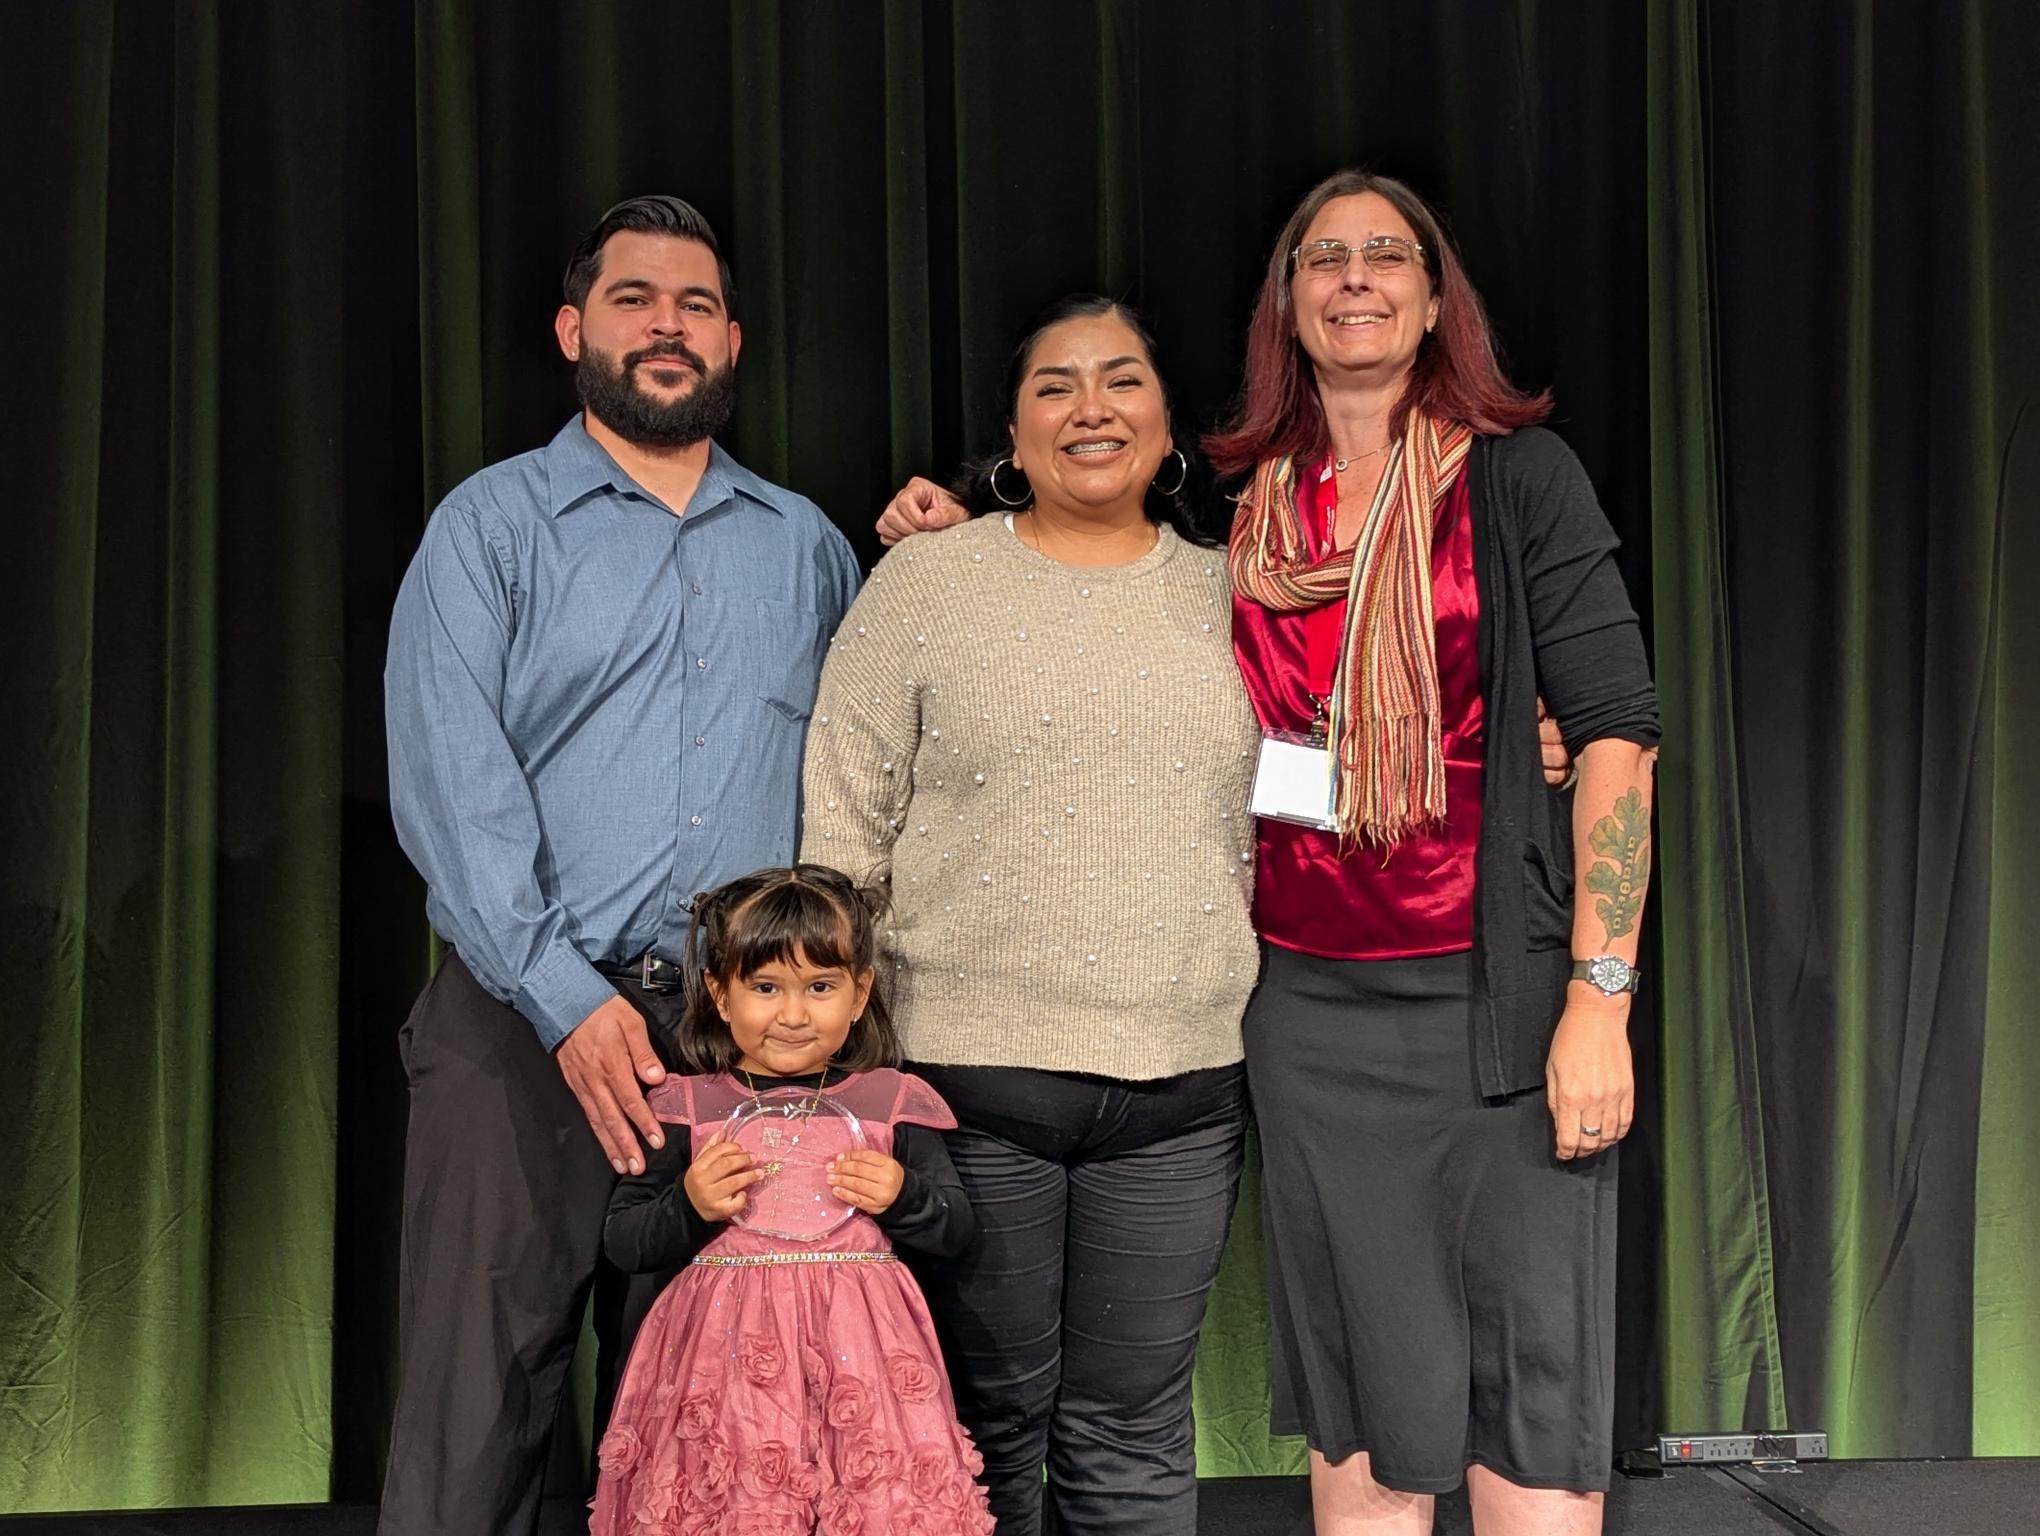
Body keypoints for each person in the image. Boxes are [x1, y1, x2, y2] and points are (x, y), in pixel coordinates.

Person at [875, 170, 1648, 1536]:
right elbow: (1104, 606)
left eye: (1385, 255)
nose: (1354, 277)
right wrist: (959, 519)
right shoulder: (1244, 517)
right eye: (1323, 258)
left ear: (1430, 296)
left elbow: (1615, 745)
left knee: (1530, 1382)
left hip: (1507, 1005)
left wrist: (1601, 997)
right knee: (1360, 1383)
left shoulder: (1523, 482)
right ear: (1285, 305)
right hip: (1302, 1010)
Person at [381, 195, 859, 1536]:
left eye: (695, 303)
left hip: (733, 1043)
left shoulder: (808, 548)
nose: (666, 325)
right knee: (478, 1420)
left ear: (734, 340)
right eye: (636, 298)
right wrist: (557, 992)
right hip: (518, 1026)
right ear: (572, 327)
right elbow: (448, 777)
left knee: (709, 1436)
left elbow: (864, 771)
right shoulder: (491, 529)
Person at [800, 296, 1261, 1536]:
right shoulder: (927, 583)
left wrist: (1529, 750)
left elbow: (1319, 803)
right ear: (1014, 427)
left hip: (1181, 1099)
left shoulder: (1238, 600)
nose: (1091, 409)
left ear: (1172, 428)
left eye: (1123, 382)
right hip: (969, 1093)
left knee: (1133, 1435)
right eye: (1057, 386)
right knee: (978, 1434)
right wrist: (834, 1063)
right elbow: (844, 825)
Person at [591, 863, 991, 1536]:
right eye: (767, 987)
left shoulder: (890, 1102)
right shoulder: (689, 1108)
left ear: (860, 993)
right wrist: (689, 1204)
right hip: (724, 1371)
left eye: (821, 986)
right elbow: (624, 1240)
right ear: (720, 994)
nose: (794, 1014)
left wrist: (904, 1197)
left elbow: (956, 1231)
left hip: (865, 1368)